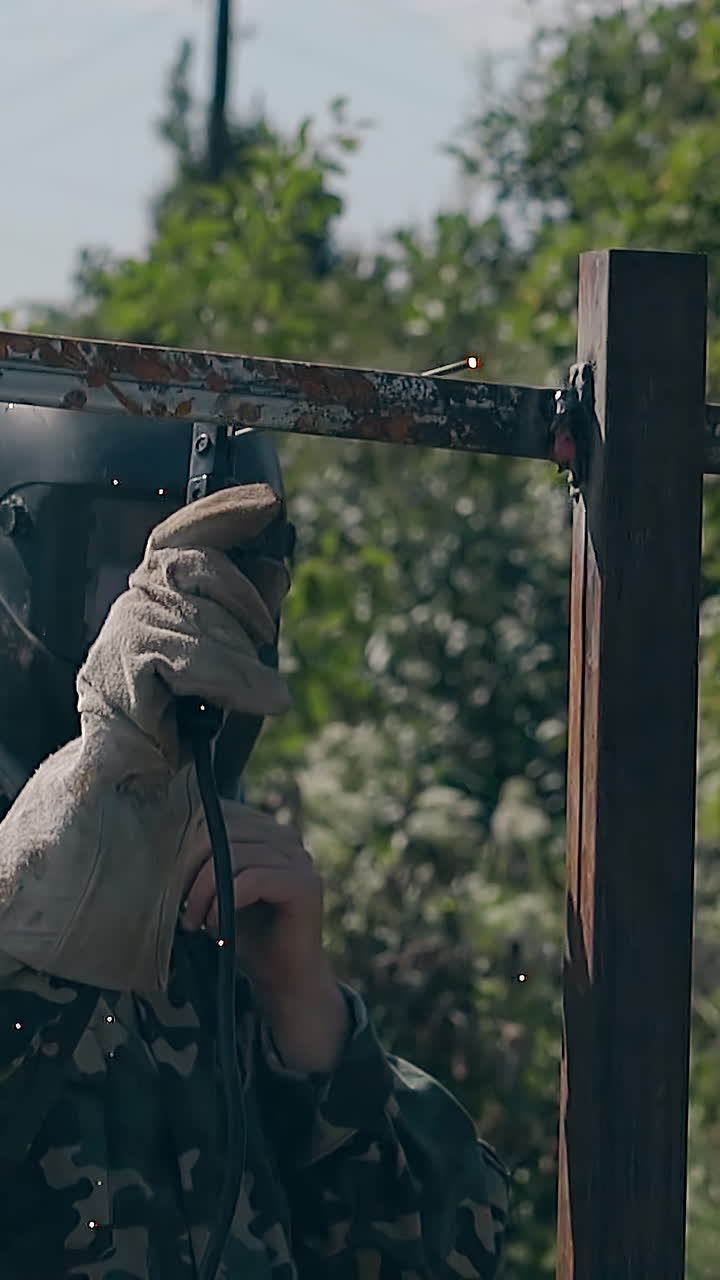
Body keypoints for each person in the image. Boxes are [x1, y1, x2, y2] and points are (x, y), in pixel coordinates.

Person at [0, 413, 508, 1279]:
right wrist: (57, 868)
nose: (174, 621)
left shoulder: (221, 908)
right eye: (118, 573)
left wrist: (304, 1008)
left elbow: (452, 1254)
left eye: (225, 583)